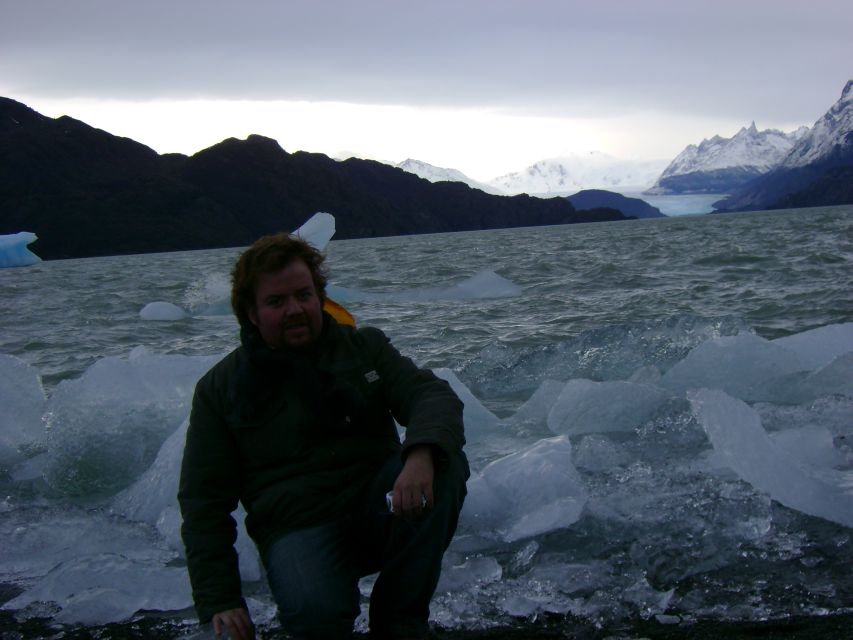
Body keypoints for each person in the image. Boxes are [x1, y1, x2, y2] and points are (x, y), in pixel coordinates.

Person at [178, 232, 468, 640]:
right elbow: (204, 503)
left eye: (303, 295)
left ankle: (399, 621)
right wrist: (220, 600)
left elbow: (430, 394)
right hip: (298, 527)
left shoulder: (364, 348)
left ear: (320, 297)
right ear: (252, 314)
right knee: (318, 617)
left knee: (445, 462)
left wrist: (420, 452)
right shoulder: (220, 390)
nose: (294, 310)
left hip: (376, 507)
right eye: (276, 302)